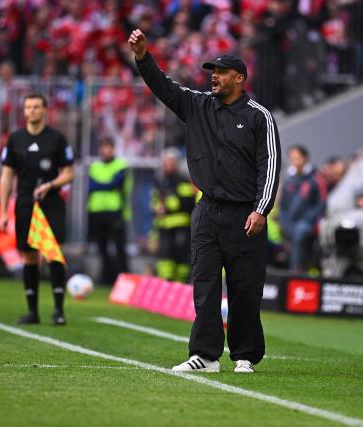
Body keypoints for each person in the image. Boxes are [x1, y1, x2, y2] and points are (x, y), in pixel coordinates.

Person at [128, 28, 281, 373]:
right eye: (212, 71)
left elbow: (270, 165)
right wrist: (142, 57)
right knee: (205, 285)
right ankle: (206, 355)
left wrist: (261, 209)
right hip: (208, 211)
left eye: (222, 72)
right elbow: (164, 87)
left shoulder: (259, 116)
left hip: (246, 215)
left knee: (245, 289)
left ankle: (244, 355)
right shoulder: (198, 105)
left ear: (239, 78)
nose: (214, 77)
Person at [0, 93, 75, 326]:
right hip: (24, 203)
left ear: (45, 110)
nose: (31, 111)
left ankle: (58, 311)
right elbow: (7, 175)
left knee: (53, 253)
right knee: (30, 255)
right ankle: (32, 311)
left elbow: (69, 172)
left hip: (51, 203)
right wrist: (2, 210)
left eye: (36, 107)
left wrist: (51, 185)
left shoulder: (57, 139)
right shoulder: (15, 139)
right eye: (28, 107)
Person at [87, 137, 131, 285]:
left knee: (119, 246)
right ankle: (107, 277)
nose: (105, 150)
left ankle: (124, 277)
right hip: (97, 210)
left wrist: (103, 185)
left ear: (113, 149)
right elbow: (91, 186)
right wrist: (107, 185)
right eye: (103, 147)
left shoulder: (121, 165)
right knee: (101, 246)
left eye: (108, 147)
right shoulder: (94, 166)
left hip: (115, 210)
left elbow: (116, 184)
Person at [151, 148, 197, 283]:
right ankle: (165, 284)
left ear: (175, 163)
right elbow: (154, 199)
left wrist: (165, 205)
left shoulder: (183, 181)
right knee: (164, 258)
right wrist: (157, 206)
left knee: (181, 259)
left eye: (168, 162)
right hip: (164, 227)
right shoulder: (161, 181)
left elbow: (186, 201)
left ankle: (181, 285)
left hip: (180, 227)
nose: (165, 165)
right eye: (164, 162)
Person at [278, 145, 325, 272]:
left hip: (307, 225)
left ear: (305, 158)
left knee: (299, 237)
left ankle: (296, 274)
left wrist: (306, 222)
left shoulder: (316, 179)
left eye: (297, 158)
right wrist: (284, 223)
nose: (295, 162)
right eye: (292, 159)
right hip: (289, 225)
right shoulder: (288, 180)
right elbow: (283, 205)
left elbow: (321, 204)